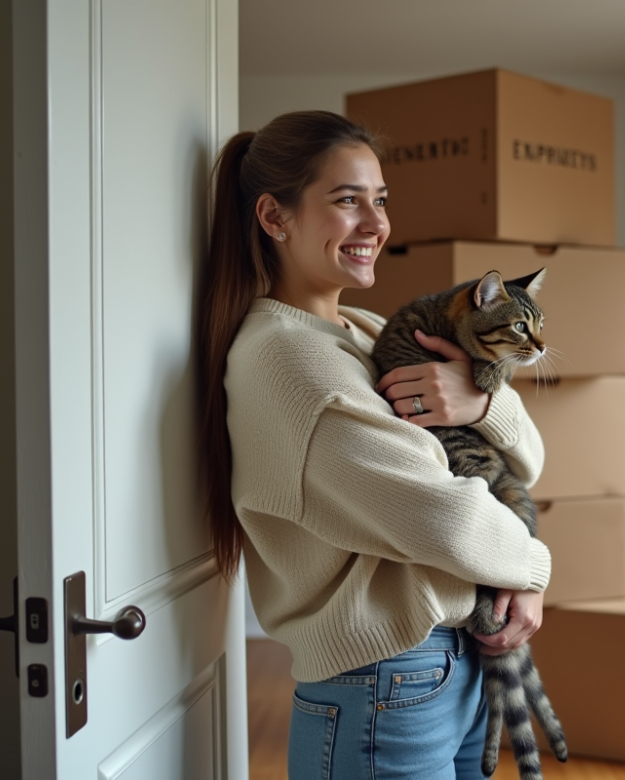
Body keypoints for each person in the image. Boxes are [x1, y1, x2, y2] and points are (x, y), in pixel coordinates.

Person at [197, 110, 552, 780]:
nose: (375, 224)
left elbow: (528, 458)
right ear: (274, 217)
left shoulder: (364, 331)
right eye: (347, 201)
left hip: (447, 661)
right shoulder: (289, 360)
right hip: (386, 680)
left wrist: (482, 401)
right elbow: (440, 514)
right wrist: (531, 568)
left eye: (380, 200)